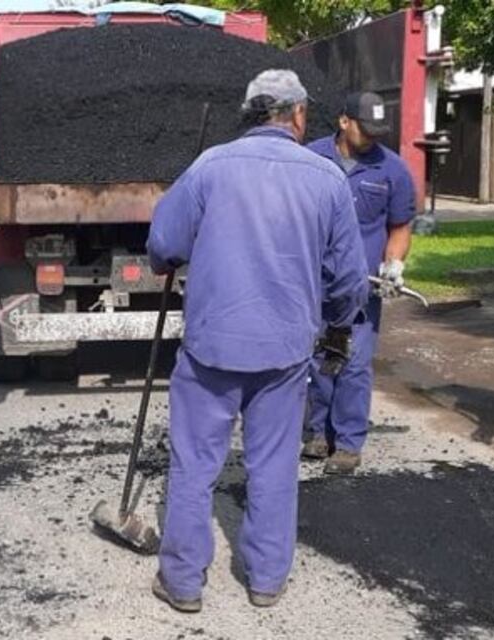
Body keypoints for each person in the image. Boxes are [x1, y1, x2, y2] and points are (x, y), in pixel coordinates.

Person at [146, 69, 369, 612]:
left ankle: (182, 582)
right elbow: (349, 282)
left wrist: (171, 257)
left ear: (249, 113)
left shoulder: (208, 167)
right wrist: (337, 326)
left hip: (210, 349)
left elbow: (162, 245)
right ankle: (266, 580)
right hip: (286, 351)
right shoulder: (326, 178)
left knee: (194, 464)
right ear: (296, 115)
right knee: (273, 466)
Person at [303, 92, 416, 474]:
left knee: (353, 363)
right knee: (318, 359)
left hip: (361, 288)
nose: (372, 138)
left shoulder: (393, 170)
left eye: (377, 131)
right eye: (365, 129)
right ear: (343, 121)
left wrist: (394, 264)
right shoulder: (310, 159)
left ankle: (349, 444)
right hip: (314, 283)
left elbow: (399, 227)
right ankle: (317, 433)